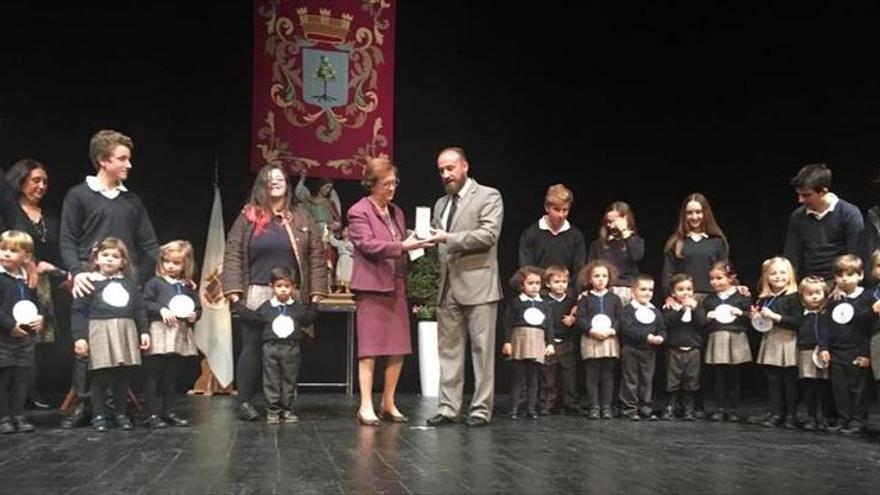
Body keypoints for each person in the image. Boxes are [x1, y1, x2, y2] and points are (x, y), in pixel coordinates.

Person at [59, 129, 159, 429]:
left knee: (122, 344)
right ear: (103, 160)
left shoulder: (131, 201)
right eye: (122, 159)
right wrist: (78, 273)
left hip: (125, 284)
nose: (129, 165)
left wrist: (167, 272)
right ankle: (86, 402)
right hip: (90, 280)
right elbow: (67, 239)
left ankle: (117, 407)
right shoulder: (79, 195)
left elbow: (149, 243)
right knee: (87, 345)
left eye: (129, 159)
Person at [222, 164, 326, 421]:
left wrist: (314, 299)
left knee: (286, 352)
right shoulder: (249, 215)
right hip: (257, 291)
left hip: (290, 296)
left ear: (287, 185)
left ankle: (281, 406)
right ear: (261, 185)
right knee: (252, 348)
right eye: (270, 179)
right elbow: (233, 252)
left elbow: (316, 256)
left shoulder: (301, 217)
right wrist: (236, 298)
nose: (276, 182)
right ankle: (245, 402)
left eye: (280, 178)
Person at [347, 158, 430, 425]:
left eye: (394, 183)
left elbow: (400, 242)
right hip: (372, 288)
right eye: (386, 184)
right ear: (371, 185)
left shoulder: (396, 211)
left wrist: (416, 243)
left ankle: (388, 402)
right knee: (369, 350)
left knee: (398, 348)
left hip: (396, 284)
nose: (392, 188)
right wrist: (403, 246)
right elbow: (368, 245)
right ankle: (365, 405)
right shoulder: (358, 211)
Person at [426, 147, 503, 427]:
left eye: (450, 168)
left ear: (465, 167)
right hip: (448, 286)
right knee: (448, 351)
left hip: (479, 284)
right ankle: (448, 408)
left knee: (482, 352)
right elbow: (439, 240)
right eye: (442, 170)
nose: (446, 175)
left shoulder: (488, 195)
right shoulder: (440, 204)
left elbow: (488, 234)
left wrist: (449, 237)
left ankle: (481, 410)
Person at [71, 238, 150, 432]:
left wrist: (144, 331)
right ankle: (99, 415)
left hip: (125, 330)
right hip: (100, 330)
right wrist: (79, 337)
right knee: (101, 376)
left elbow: (139, 309)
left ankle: (120, 413)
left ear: (123, 261)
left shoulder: (129, 284)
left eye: (115, 256)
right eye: (105, 255)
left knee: (123, 376)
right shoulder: (89, 282)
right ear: (96, 259)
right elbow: (78, 312)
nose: (109, 260)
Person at [6, 159, 63, 410]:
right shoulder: (10, 212)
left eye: (45, 181)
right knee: (15, 334)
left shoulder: (49, 216)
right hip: (14, 281)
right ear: (20, 182)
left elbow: (55, 249)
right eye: (35, 180)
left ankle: (31, 391)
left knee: (39, 338)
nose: (41, 186)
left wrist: (50, 268)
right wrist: (29, 264)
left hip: (44, 283)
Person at [234, 266, 316, 424]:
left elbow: (307, 319)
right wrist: (238, 304)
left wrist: (315, 304)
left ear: (293, 287)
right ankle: (272, 410)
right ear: (271, 286)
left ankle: (288, 409)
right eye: (279, 286)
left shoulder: (296, 308)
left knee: (289, 380)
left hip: (291, 348)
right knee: (271, 379)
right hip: (271, 348)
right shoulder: (267, 307)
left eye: (287, 286)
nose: (283, 290)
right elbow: (253, 317)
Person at [142, 240, 201, 428]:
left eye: (176, 263)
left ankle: (169, 411)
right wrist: (161, 309)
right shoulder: (155, 283)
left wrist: (194, 316)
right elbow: (145, 303)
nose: (170, 266)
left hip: (179, 333)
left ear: (185, 264)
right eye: (167, 261)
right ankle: (151, 414)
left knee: (171, 375)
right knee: (153, 374)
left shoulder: (188, 286)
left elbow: (197, 308)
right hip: (160, 331)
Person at [783, 163, 863, 282]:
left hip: (840, 282)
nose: (800, 200)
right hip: (808, 283)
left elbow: (855, 255)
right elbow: (792, 255)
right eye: (799, 194)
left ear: (823, 191)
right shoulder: (798, 216)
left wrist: (841, 283)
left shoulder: (849, 213)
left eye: (806, 195)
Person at [821, 254, 873, 436]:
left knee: (857, 388)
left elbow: (869, 327)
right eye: (840, 275)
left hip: (856, 351)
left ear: (860, 275)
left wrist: (866, 354)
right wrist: (824, 347)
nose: (844, 278)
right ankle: (843, 418)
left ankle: (858, 421)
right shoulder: (834, 299)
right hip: (837, 351)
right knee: (839, 388)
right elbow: (825, 324)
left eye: (850, 274)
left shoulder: (867, 298)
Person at [0, 231, 44, 433]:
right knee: (4, 377)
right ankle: (4, 418)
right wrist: (10, 326)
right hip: (4, 338)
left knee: (21, 378)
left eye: (13, 251)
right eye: (3, 249)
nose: (6, 254)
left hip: (25, 338)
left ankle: (19, 415)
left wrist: (39, 318)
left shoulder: (26, 279)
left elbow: (33, 303)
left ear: (26, 257)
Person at [750, 257, 801, 429]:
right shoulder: (764, 298)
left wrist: (775, 317)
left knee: (789, 380)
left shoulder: (794, 297)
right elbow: (761, 324)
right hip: (771, 340)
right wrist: (756, 318)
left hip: (788, 341)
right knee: (773, 380)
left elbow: (798, 321)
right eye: (773, 273)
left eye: (782, 272)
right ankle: (777, 412)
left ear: (790, 275)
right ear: (767, 277)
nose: (778, 276)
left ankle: (791, 415)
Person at [502, 266, 555, 420]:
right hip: (520, 338)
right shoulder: (516, 302)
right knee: (518, 376)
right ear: (521, 285)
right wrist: (507, 342)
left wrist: (550, 343)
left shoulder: (544, 304)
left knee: (533, 376)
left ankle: (531, 408)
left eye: (537, 283)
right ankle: (514, 407)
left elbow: (549, 325)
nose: (534, 286)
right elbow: (507, 323)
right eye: (530, 283)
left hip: (538, 338)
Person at [701, 261, 751, 422]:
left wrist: (741, 313)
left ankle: (734, 409)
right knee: (719, 374)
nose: (715, 282)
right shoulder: (710, 299)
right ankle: (721, 408)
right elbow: (701, 318)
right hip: (717, 337)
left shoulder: (741, 296)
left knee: (734, 375)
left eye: (719, 278)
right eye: (712, 279)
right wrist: (707, 317)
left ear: (731, 278)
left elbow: (752, 315)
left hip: (736, 336)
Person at [575, 259, 622, 420]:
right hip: (591, 338)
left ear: (609, 278)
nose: (601, 279)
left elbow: (619, 318)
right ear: (589, 279)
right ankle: (594, 406)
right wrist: (591, 330)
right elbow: (580, 318)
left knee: (608, 374)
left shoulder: (614, 299)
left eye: (604, 276)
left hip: (609, 339)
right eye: (596, 276)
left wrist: (612, 330)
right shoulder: (585, 298)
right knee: (592, 374)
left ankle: (607, 407)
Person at [518, 184, 586, 292]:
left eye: (565, 210)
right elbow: (526, 269)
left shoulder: (575, 236)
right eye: (556, 209)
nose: (561, 215)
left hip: (566, 296)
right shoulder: (531, 234)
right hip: (538, 294)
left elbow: (579, 272)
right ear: (547, 207)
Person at [662, 193, 729, 300]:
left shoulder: (716, 241)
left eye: (698, 212)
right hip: (684, 299)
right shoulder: (676, 242)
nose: (694, 217)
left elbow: (726, 271)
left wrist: (735, 287)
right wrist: (669, 296)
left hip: (711, 299)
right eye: (689, 213)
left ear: (705, 213)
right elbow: (668, 275)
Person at [618, 274, 665, 421]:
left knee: (646, 379)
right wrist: (646, 337)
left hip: (648, 351)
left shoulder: (655, 311)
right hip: (631, 349)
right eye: (643, 289)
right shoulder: (628, 310)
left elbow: (661, 328)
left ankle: (645, 408)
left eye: (650, 290)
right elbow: (627, 329)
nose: (647, 293)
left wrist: (661, 337)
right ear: (633, 291)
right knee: (631, 379)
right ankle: (629, 409)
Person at [661, 274, 704, 421]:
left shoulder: (697, 308)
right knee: (672, 379)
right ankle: (670, 407)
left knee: (691, 380)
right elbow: (667, 323)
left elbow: (701, 322)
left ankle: (688, 408)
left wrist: (694, 309)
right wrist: (680, 310)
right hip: (674, 349)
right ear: (673, 293)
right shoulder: (669, 308)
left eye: (689, 289)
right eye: (680, 289)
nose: (685, 292)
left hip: (693, 349)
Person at [539, 265, 579, 415]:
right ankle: (547, 404)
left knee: (569, 375)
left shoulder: (570, 302)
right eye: (557, 281)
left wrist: (573, 317)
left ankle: (571, 404)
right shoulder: (543, 301)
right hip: (549, 342)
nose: (561, 284)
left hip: (566, 341)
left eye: (564, 281)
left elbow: (579, 315)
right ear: (548, 284)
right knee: (548, 376)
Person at [588, 201, 644, 305]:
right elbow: (590, 269)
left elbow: (636, 256)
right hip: (604, 290)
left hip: (628, 290)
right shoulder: (598, 245)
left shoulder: (635, 241)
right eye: (609, 222)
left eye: (615, 222)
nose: (612, 226)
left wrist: (624, 231)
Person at [796, 276, 832, 431]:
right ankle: (812, 417)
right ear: (803, 296)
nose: (815, 296)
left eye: (818, 293)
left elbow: (827, 332)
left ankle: (825, 416)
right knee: (809, 385)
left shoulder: (826, 314)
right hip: (805, 351)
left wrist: (825, 347)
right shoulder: (801, 314)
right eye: (810, 294)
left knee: (823, 386)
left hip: (823, 352)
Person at [328, 226, 353, 293]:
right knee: (339, 273)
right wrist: (331, 231)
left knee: (348, 273)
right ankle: (340, 287)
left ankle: (347, 287)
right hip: (341, 259)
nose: (344, 232)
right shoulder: (340, 243)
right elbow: (332, 241)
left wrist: (352, 252)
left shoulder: (351, 243)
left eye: (346, 231)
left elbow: (356, 251)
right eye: (344, 231)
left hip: (349, 260)